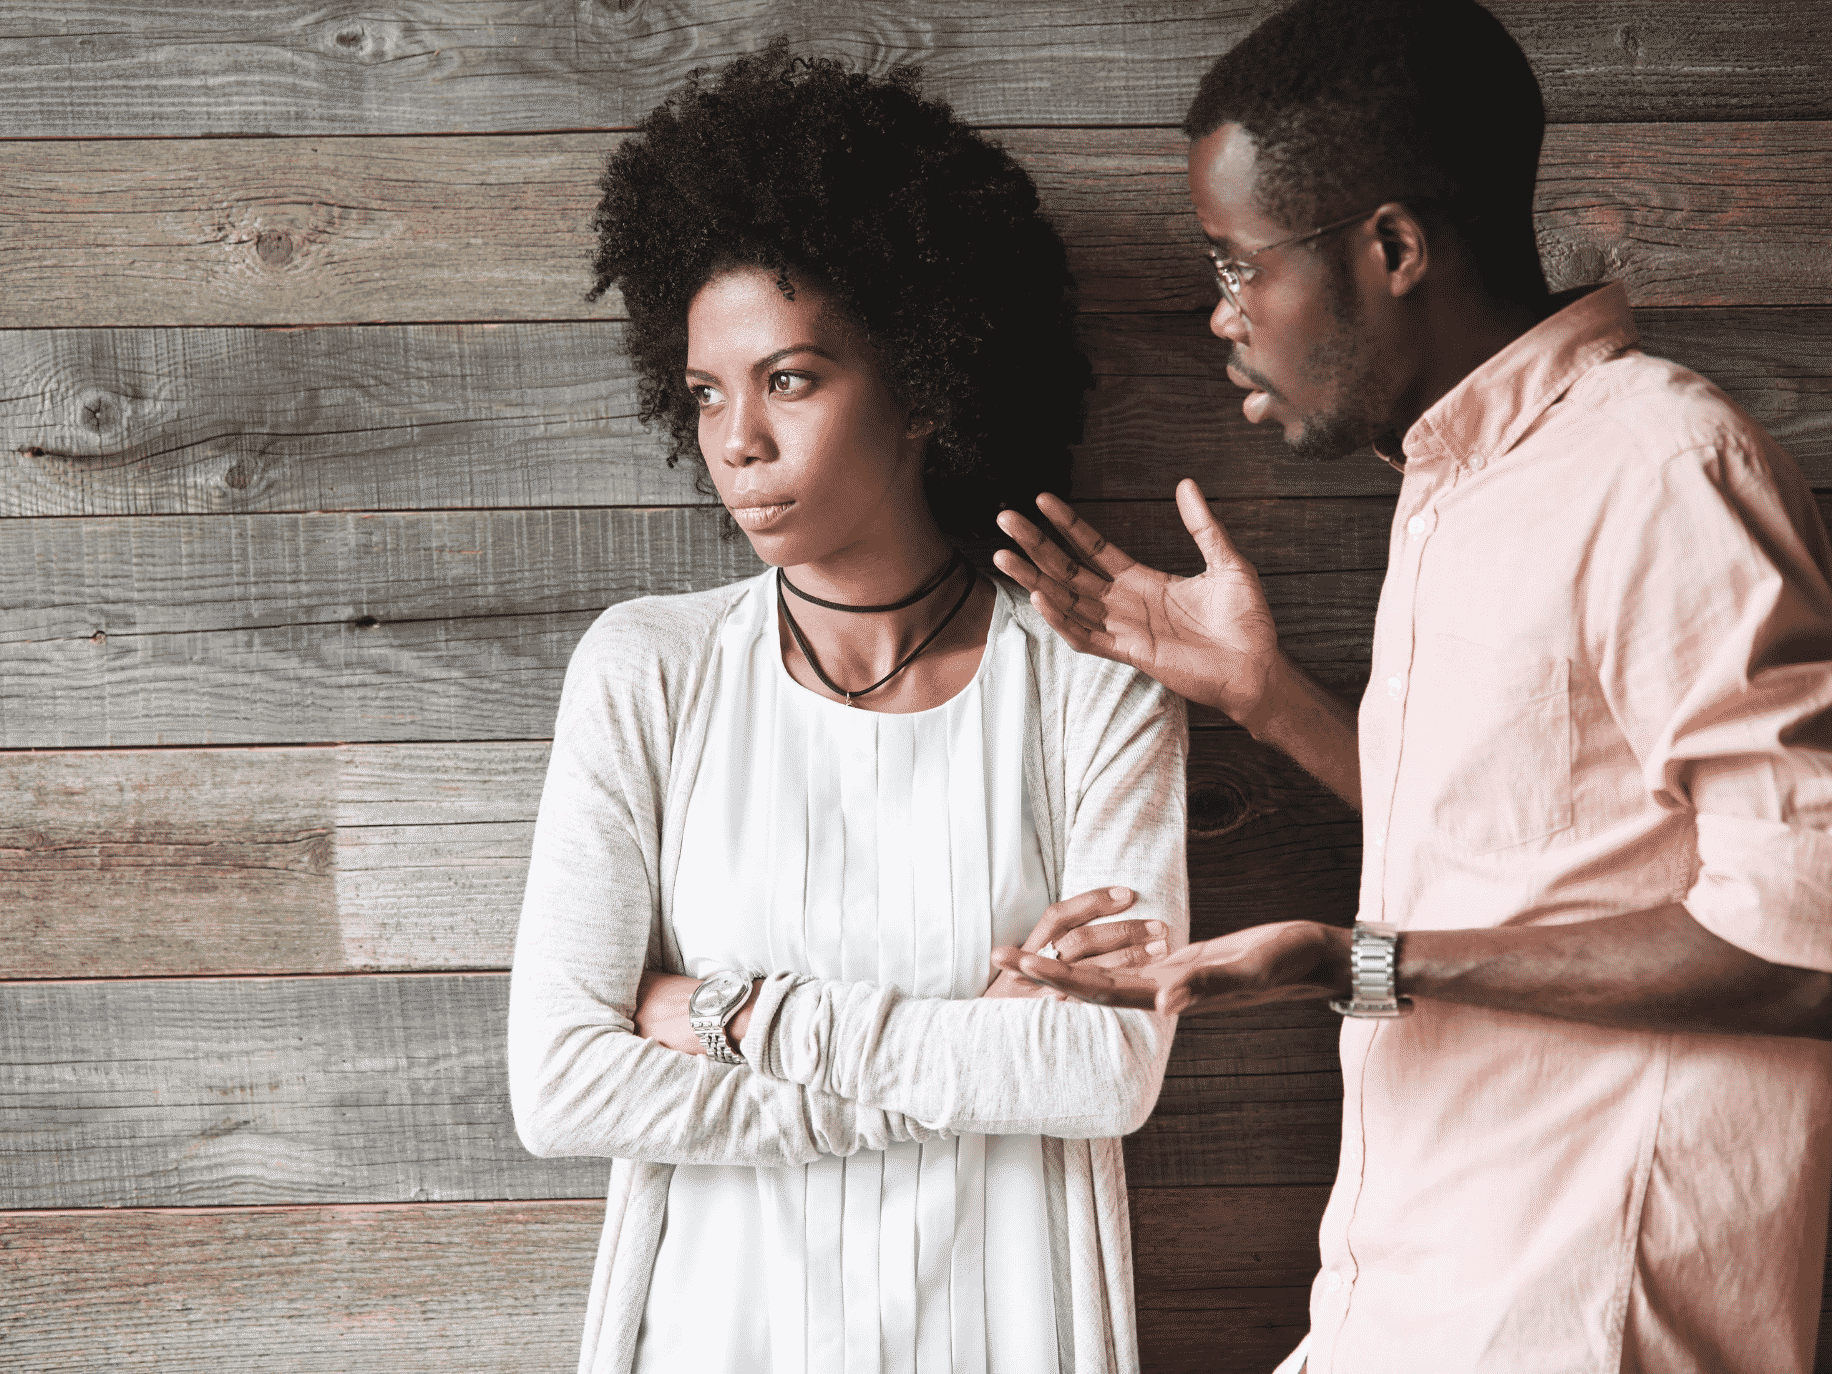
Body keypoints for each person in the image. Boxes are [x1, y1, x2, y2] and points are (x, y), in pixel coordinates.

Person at [989, 1, 1832, 1370]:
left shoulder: (1663, 469)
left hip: (1577, 1321)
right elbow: (1533, 846)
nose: (1222, 316)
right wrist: (1266, 695)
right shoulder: (1461, 492)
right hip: (1410, 1296)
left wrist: (1365, 961)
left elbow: (1808, 940)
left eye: (1239, 264)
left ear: (1391, 247)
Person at [506, 48, 1189, 1374]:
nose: (736, 439)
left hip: (1006, 1321)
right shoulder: (647, 670)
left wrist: (733, 1017)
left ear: (929, 381)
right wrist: (946, 1073)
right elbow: (562, 1082)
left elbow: (1106, 1072)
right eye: (708, 390)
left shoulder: (1094, 681)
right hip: (712, 1329)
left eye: (793, 378)